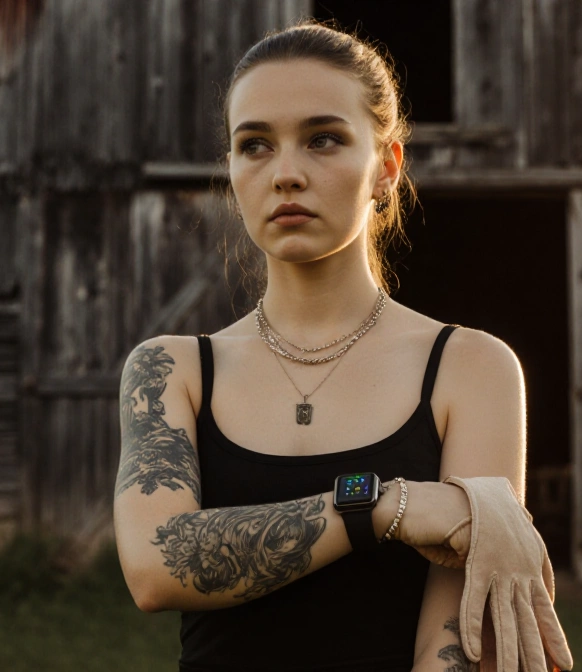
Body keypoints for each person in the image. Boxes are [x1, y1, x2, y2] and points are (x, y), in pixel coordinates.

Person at [114, 20, 540, 672]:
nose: (286, 174)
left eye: (323, 139)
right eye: (255, 145)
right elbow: (156, 566)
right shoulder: (172, 370)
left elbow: (452, 646)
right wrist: (385, 506)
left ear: (386, 168)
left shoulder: (471, 368)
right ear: (232, 171)